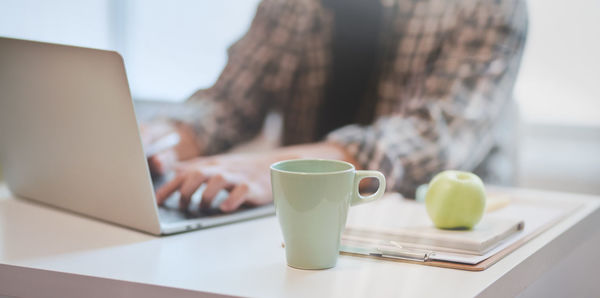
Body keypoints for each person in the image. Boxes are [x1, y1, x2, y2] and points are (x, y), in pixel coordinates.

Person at [142, 0, 528, 213]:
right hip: (304, 220)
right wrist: (160, 143)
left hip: (431, 230)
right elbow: (227, 103)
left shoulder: (485, 6)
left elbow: (432, 140)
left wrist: (281, 170)